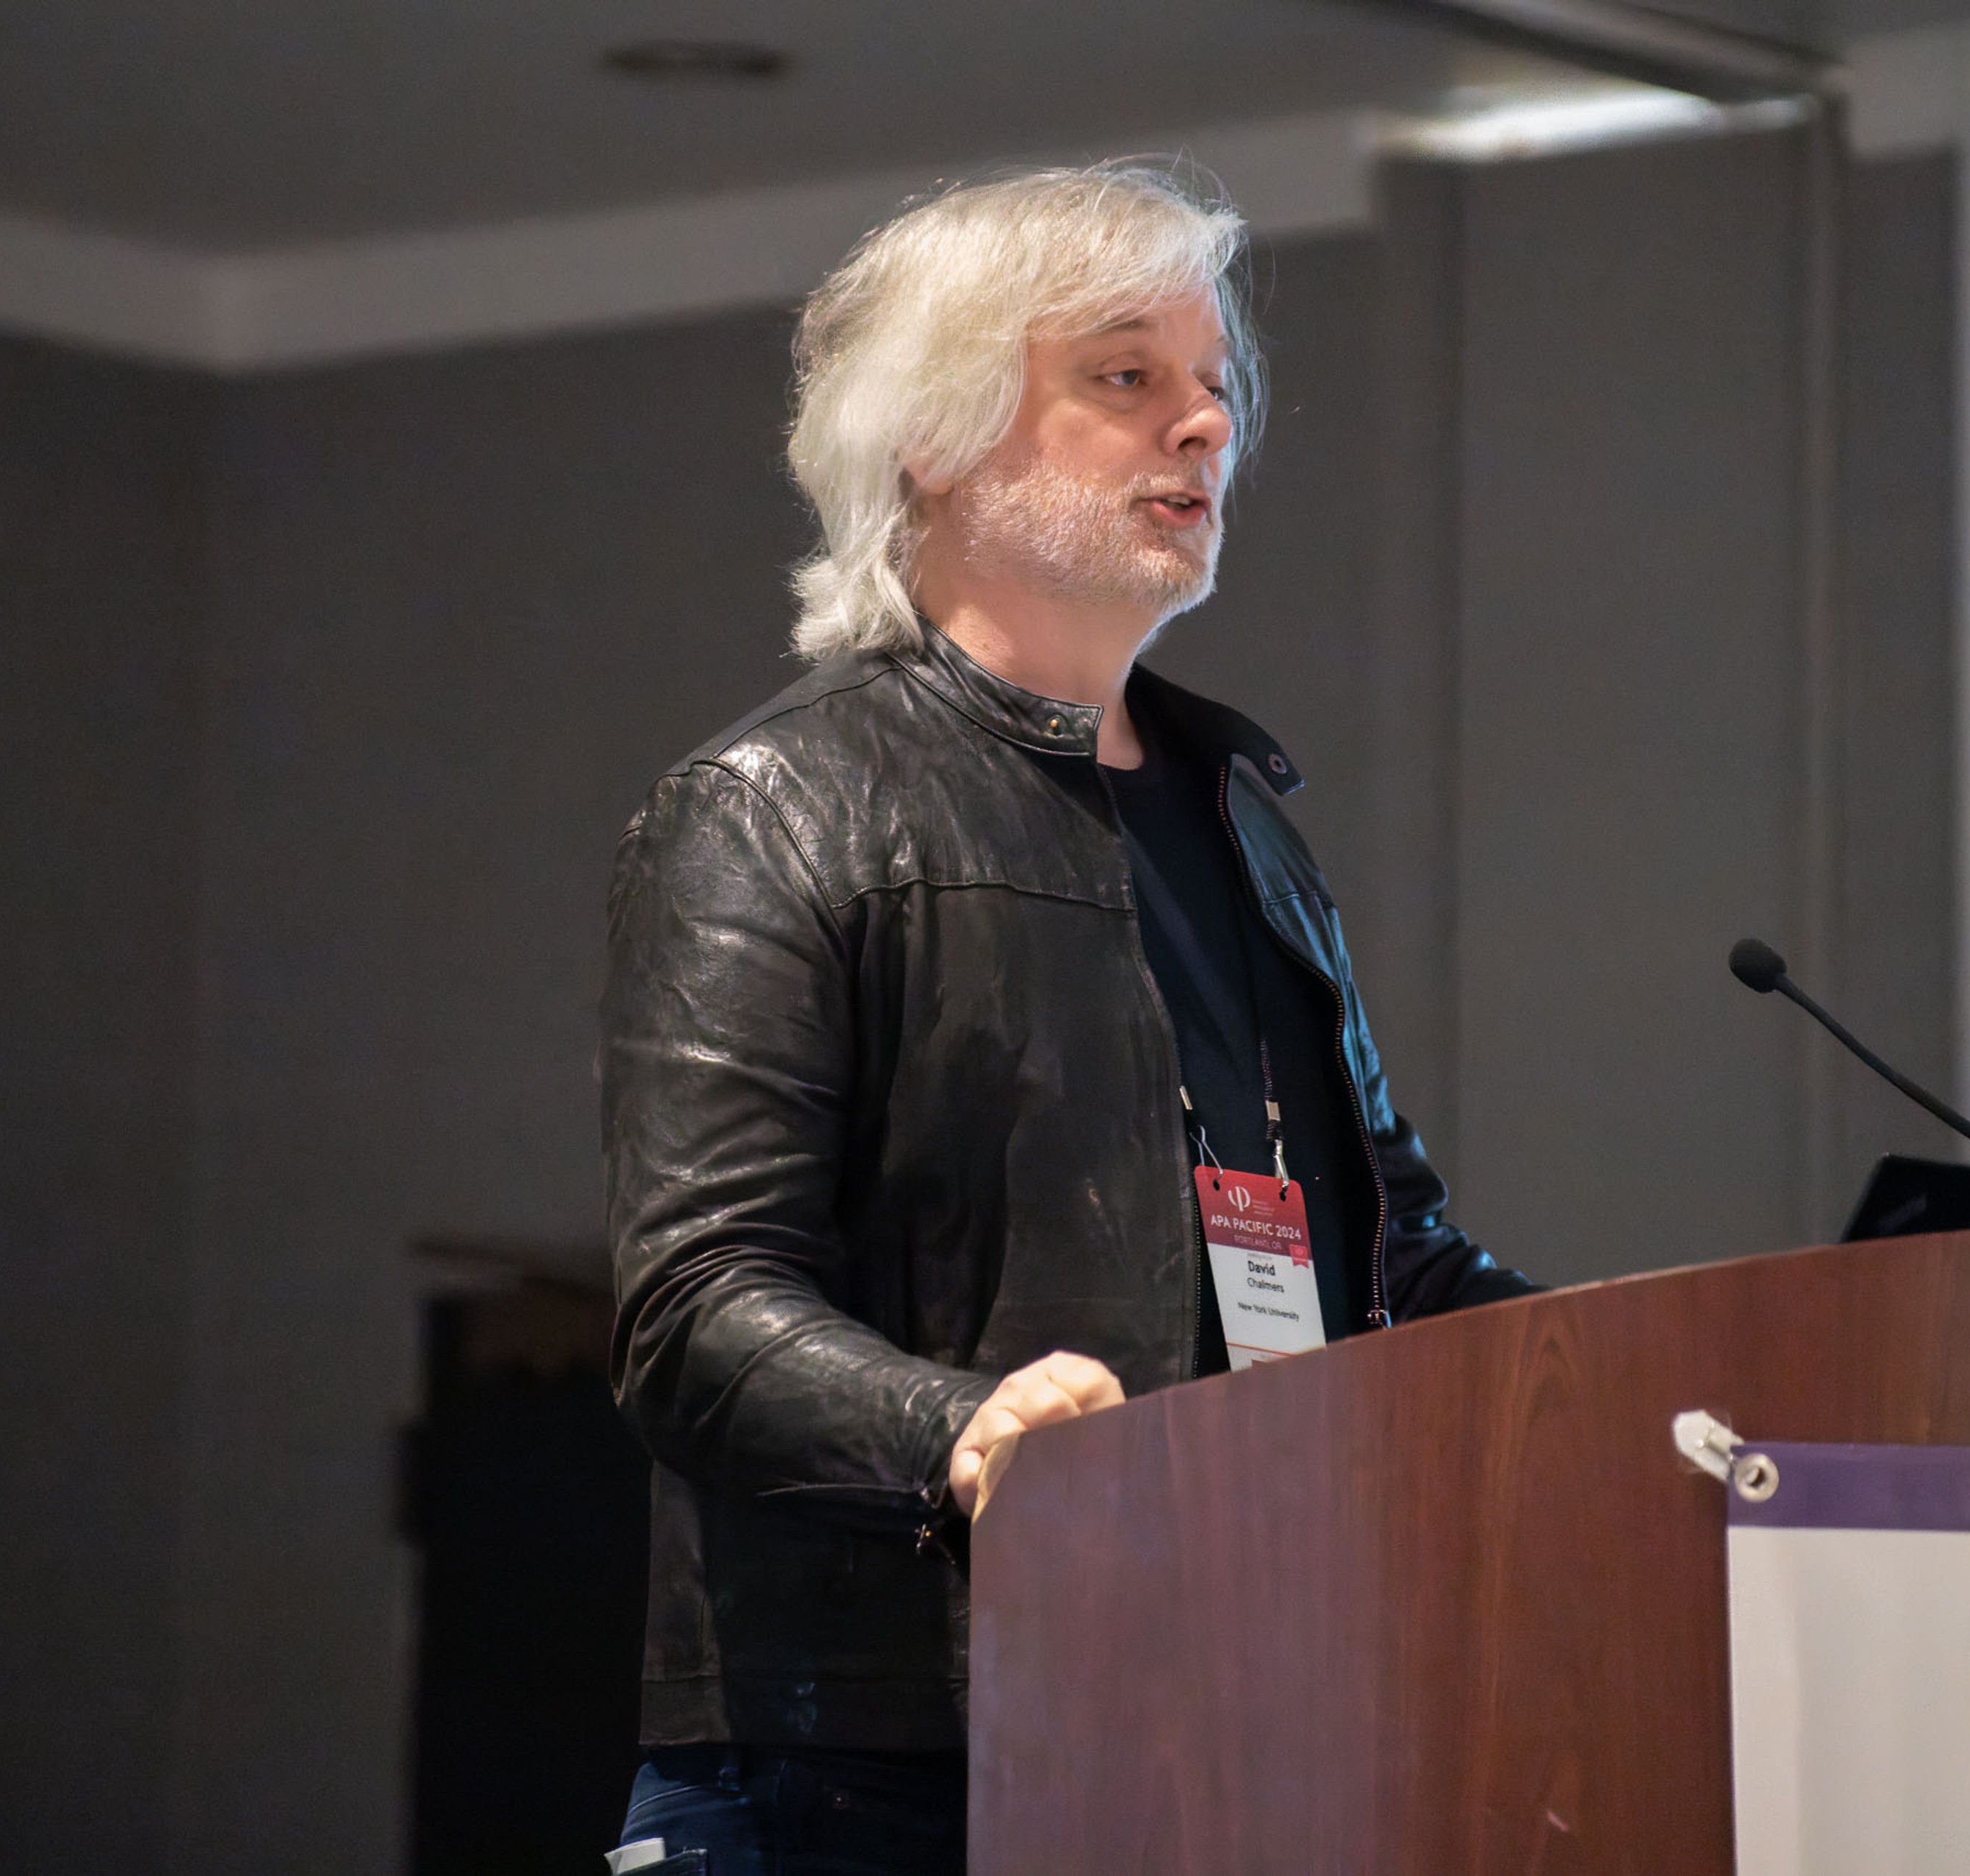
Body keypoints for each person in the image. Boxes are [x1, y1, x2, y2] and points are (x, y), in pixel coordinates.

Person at [599, 159, 1536, 1874]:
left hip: (1241, 1728)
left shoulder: (1247, 824)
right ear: (938, 438)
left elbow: (1393, 1265)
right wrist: (958, 1428)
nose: (1205, 426)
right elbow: (696, 1313)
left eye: (1217, 386)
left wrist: (1654, 1363)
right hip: (867, 1768)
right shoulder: (773, 807)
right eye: (1127, 377)